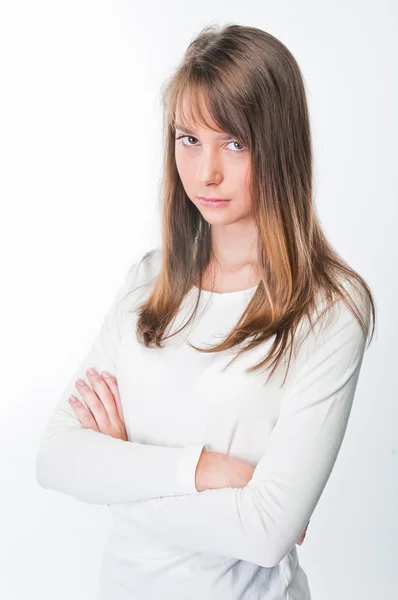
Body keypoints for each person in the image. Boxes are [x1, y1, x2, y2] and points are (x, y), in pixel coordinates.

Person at [36, 23, 376, 600]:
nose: (205, 172)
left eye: (235, 143)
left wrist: (117, 472)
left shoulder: (329, 309)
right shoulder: (148, 282)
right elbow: (55, 458)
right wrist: (204, 471)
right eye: (188, 138)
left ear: (280, 146)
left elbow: (268, 533)